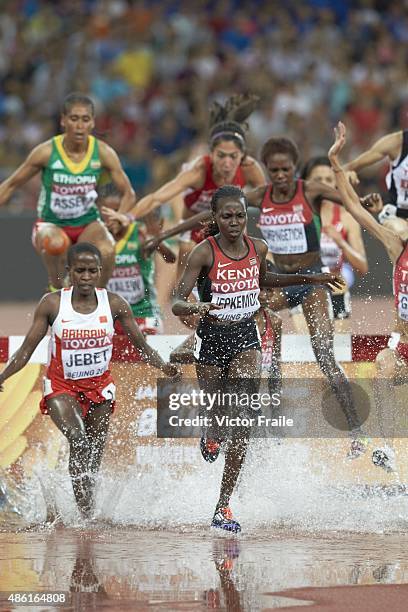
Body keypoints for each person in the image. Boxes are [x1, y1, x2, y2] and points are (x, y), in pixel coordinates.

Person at [172, 184, 342, 532]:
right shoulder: (204, 253)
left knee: (244, 416)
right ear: (216, 218)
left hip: (246, 337)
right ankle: (210, 432)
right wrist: (197, 307)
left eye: (239, 215)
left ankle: (223, 506)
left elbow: (267, 279)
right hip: (212, 340)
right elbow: (177, 299)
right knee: (218, 413)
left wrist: (314, 277)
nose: (234, 222)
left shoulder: (258, 247)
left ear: (246, 217)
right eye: (226, 216)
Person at [0, 243, 180, 520]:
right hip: (62, 388)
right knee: (79, 440)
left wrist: (165, 366)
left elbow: (141, 345)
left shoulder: (115, 304)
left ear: (100, 272)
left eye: (91, 271)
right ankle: (83, 517)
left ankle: (86, 512)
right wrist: (3, 376)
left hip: (100, 388)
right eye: (80, 271)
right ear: (69, 271)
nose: (85, 276)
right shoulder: (52, 304)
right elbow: (26, 350)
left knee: (94, 454)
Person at [241, 136, 374, 458]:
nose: (280, 175)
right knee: (259, 329)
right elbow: (228, 204)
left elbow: (345, 197)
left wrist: (365, 202)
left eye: (286, 168)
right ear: (268, 170)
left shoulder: (309, 191)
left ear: (294, 168)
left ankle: (357, 429)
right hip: (280, 282)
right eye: (274, 170)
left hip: (312, 282)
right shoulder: (260, 195)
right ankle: (272, 422)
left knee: (324, 355)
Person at [102, 94, 266, 279]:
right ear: (211, 154)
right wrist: (128, 216)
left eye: (233, 157)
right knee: (186, 267)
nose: (227, 163)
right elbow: (158, 197)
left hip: (230, 223)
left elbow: (268, 200)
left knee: (245, 257)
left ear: (242, 155)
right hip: (195, 226)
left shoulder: (250, 168)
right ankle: (180, 300)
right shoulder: (198, 170)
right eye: (221, 156)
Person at [329, 121, 408, 473]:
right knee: (383, 363)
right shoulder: (397, 247)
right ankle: (387, 448)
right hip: (405, 346)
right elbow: (357, 210)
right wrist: (336, 163)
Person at [0, 92, 135, 289]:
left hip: (87, 223)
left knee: (107, 250)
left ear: (93, 123)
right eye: (74, 119)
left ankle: (99, 298)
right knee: (56, 244)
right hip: (51, 224)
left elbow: (128, 193)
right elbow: (11, 184)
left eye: (85, 119)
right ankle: (56, 288)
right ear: (63, 121)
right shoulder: (46, 152)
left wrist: (121, 216)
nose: (80, 125)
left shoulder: (104, 153)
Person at [289, 156, 368, 332]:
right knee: (306, 353)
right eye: (318, 180)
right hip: (303, 289)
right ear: (306, 182)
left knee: (340, 353)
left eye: (328, 180)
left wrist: (341, 242)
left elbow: (362, 267)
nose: (323, 184)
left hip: (336, 290)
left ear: (335, 183)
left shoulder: (346, 218)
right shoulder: (293, 215)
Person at [100, 186, 176, 336]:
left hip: (145, 314)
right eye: (107, 213)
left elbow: (171, 258)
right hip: (111, 316)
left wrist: (157, 240)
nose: (112, 218)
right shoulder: (96, 235)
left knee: (145, 340)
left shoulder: (140, 232)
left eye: (116, 210)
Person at [344, 129, 408, 218]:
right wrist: (347, 174)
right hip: (395, 214)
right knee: (399, 229)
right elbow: (351, 167)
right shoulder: (396, 143)